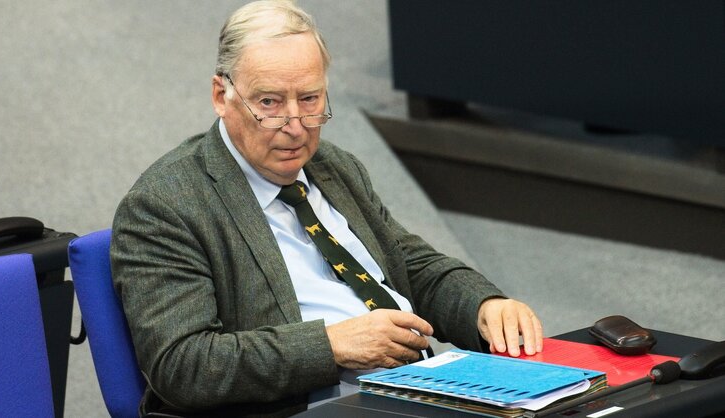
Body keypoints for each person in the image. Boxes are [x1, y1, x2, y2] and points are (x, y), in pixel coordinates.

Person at [110, 1, 543, 416]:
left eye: (311, 100)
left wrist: (482, 306)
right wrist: (331, 346)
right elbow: (184, 366)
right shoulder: (166, 205)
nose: (296, 127)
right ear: (221, 95)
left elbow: (408, 264)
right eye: (269, 103)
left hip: (408, 389)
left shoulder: (331, 165)